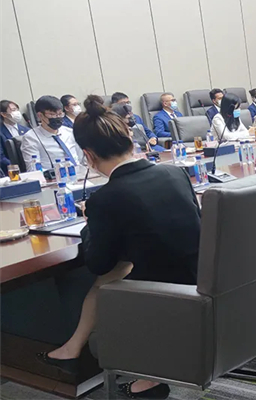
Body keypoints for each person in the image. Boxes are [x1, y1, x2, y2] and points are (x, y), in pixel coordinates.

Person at [37, 95, 201, 399]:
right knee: (117, 270)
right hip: (200, 278)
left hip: (164, 295)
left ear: (88, 155)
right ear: (129, 139)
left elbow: (97, 262)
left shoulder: (106, 198)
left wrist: (89, 222)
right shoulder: (174, 173)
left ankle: (147, 378)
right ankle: (73, 348)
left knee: (107, 276)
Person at [20, 96, 84, 171]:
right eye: (52, 114)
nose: (57, 117)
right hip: (53, 176)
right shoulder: (31, 138)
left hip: (78, 173)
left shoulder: (69, 132)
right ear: (40, 115)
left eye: (60, 114)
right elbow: (33, 169)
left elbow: (80, 157)